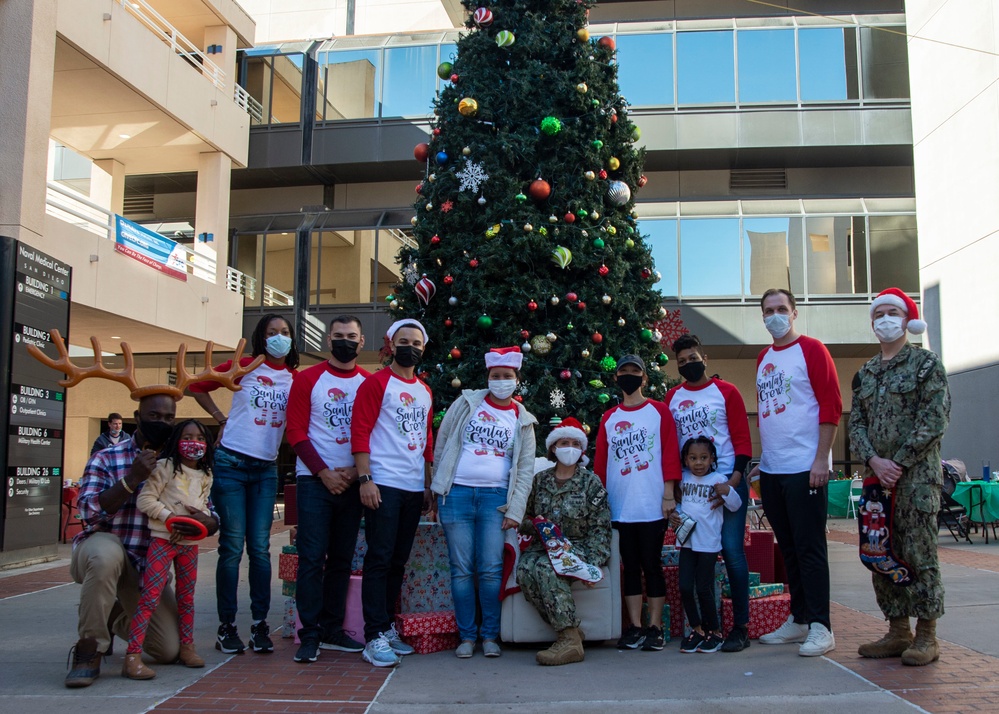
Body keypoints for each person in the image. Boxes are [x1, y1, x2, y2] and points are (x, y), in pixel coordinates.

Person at [65, 394, 218, 688]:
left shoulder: (180, 462)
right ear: (137, 415)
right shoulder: (108, 456)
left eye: (168, 418)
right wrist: (131, 479)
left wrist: (210, 522)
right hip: (105, 549)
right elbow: (87, 512)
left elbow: (205, 505)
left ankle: (114, 617)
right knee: (107, 555)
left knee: (167, 650)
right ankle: (90, 649)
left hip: (147, 567)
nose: (162, 423)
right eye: (154, 416)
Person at [849, 288, 950, 666]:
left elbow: (934, 420)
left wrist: (899, 463)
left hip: (916, 480)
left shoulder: (926, 365)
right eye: (879, 315)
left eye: (893, 313)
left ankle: (926, 635)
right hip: (878, 482)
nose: (885, 320)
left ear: (907, 319)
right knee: (881, 552)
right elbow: (856, 424)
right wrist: (876, 461)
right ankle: (897, 630)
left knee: (919, 555)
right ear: (872, 323)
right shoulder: (866, 373)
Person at [189, 314, 299, 655]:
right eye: (271, 333)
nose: (278, 338)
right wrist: (221, 419)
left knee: (261, 549)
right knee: (233, 547)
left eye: (284, 333)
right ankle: (226, 627)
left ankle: (259, 625)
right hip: (231, 464)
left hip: (265, 469)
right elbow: (196, 387)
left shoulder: (296, 380)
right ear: (260, 337)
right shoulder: (244, 366)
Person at [751, 288, 841, 657]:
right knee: (788, 548)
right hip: (773, 469)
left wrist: (821, 459)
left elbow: (831, 405)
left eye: (782, 309)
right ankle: (799, 619)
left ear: (794, 313)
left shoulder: (812, 349)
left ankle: (822, 626)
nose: (776, 315)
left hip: (806, 467)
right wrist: (764, 460)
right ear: (762, 316)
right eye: (769, 310)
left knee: (810, 549)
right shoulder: (762, 357)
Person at [432, 346, 539, 659]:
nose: (502, 380)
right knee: (462, 569)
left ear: (516, 380)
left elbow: (524, 471)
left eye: (507, 376)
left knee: (491, 569)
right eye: (496, 376)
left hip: (495, 501)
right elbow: (443, 443)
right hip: (457, 495)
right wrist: (439, 488)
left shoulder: (523, 419)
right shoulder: (466, 404)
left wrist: (516, 510)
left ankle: (489, 636)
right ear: (488, 377)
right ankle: (467, 637)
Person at [285, 316, 369, 664]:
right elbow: (296, 433)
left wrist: (354, 472)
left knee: (341, 560)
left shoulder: (369, 382)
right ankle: (310, 633)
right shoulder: (307, 379)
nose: (345, 341)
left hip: (352, 481)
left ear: (362, 341)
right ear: (328, 339)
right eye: (339, 336)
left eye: (351, 336)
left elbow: (376, 433)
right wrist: (323, 473)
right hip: (314, 482)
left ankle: (333, 629)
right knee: (310, 559)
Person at [351, 320, 434, 668]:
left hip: (414, 487)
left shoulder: (426, 390)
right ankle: (373, 636)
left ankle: (386, 628)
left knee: (398, 561)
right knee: (380, 558)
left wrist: (428, 485)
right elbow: (360, 431)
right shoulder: (375, 384)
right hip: (383, 483)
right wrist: (365, 478)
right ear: (391, 344)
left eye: (416, 342)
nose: (409, 347)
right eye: (404, 341)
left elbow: (427, 441)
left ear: (423, 349)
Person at [666, 335, 753, 652]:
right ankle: (704, 629)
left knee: (731, 550)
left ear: (705, 357)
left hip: (726, 482)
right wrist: (673, 484)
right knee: (693, 555)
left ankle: (740, 628)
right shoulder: (671, 397)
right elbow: (669, 445)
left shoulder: (726, 392)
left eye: (693, 358)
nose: (689, 364)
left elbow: (743, 440)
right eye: (683, 361)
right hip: (690, 488)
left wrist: (733, 480)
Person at [593, 354, 681, 653]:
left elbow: (670, 453)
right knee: (629, 567)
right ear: (616, 378)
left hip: (652, 505)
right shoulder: (609, 418)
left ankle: (655, 626)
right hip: (619, 507)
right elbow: (601, 464)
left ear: (644, 378)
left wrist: (668, 494)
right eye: (623, 371)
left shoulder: (659, 412)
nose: (629, 376)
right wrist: (601, 503)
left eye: (635, 372)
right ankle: (635, 626)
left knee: (651, 566)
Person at [125, 420, 215, 679]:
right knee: (150, 597)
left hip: (189, 545)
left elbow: (204, 505)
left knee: (187, 598)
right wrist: (169, 519)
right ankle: (132, 655)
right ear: (176, 440)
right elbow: (145, 499)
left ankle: (187, 646)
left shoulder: (207, 473)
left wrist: (202, 518)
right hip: (162, 541)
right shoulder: (164, 467)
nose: (194, 442)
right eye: (187, 436)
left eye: (199, 437)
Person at [518, 418, 612, 666]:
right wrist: (536, 523)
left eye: (574, 443)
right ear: (552, 448)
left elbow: (600, 528)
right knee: (525, 570)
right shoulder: (540, 481)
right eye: (563, 442)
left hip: (576, 548)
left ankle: (569, 642)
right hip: (542, 547)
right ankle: (570, 634)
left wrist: (591, 566)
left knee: (547, 569)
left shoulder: (591, 483)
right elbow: (523, 519)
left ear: (581, 450)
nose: (569, 447)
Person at [673, 437, 743, 653]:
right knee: (685, 586)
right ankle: (697, 629)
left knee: (704, 588)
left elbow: (735, 505)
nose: (699, 463)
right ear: (685, 460)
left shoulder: (719, 479)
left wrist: (728, 491)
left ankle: (715, 631)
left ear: (712, 458)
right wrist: (674, 514)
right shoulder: (682, 480)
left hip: (708, 544)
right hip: (687, 543)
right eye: (693, 458)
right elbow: (676, 504)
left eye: (704, 458)